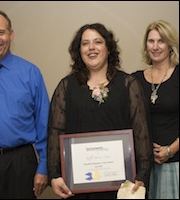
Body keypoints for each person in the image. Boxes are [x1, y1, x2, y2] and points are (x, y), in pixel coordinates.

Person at [47, 23, 153, 199]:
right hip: (77, 188)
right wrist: (54, 175)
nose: (91, 48)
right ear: (78, 50)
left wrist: (142, 175)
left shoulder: (128, 84)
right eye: (85, 43)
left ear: (108, 48)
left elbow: (142, 132)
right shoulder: (66, 87)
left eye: (97, 42)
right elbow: (55, 132)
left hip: (122, 187)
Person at [0, 9, 49, 199]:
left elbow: (44, 125)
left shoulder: (31, 73)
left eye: (1, 32)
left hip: (20, 163)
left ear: (11, 35)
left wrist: (43, 167)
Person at [132, 20, 179, 199]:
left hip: (175, 163)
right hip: (145, 167)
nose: (156, 46)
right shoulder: (135, 80)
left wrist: (171, 149)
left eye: (161, 41)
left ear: (170, 45)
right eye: (151, 41)